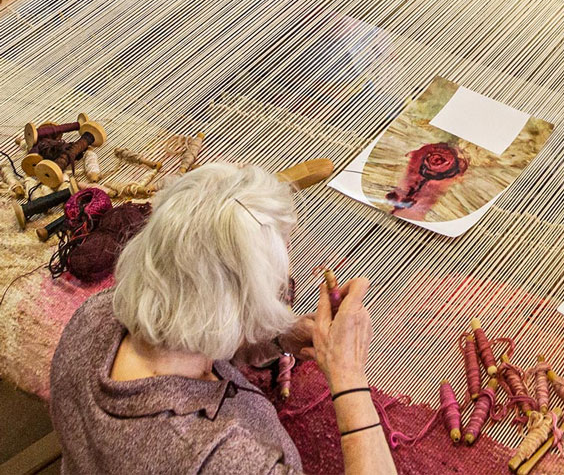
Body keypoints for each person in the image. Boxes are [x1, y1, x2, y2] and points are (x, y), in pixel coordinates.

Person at [49, 163, 396, 474]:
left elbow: (191, 307)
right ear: (239, 306)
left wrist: (278, 337)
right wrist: (349, 376)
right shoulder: (220, 458)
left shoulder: (94, 317)